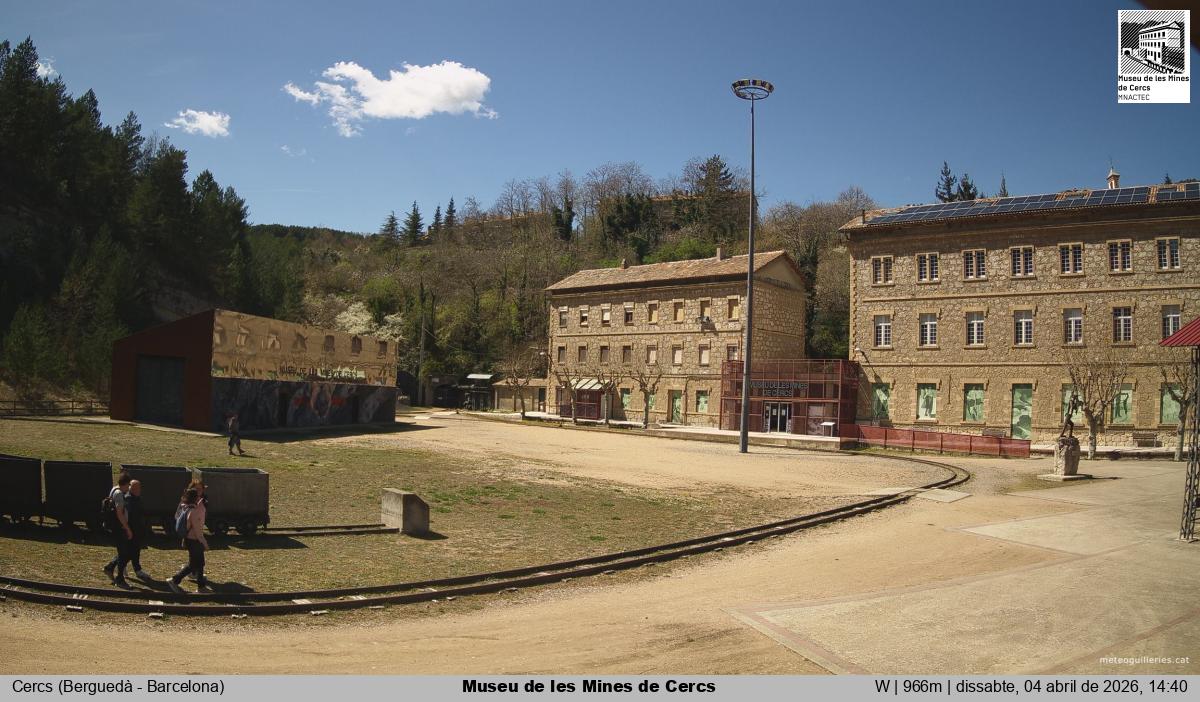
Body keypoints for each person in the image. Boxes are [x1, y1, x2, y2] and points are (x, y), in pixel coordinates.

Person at [168, 486, 209, 593]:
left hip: (191, 539)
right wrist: (204, 543)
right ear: (196, 498)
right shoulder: (194, 511)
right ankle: (174, 580)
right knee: (193, 564)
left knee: (200, 563)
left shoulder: (187, 507)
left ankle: (201, 586)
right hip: (194, 540)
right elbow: (198, 530)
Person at [102, 472, 133, 587]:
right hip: (119, 527)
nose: (129, 487)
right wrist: (127, 528)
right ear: (125, 484)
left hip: (116, 527)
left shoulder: (114, 489)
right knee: (124, 553)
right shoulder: (119, 494)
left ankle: (110, 568)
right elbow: (120, 513)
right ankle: (119, 578)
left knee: (123, 552)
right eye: (128, 485)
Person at [124, 480, 151, 581]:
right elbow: (131, 517)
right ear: (132, 488)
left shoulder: (136, 498)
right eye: (137, 488)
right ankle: (113, 565)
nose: (139, 490)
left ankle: (137, 569)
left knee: (135, 550)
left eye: (139, 488)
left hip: (137, 530)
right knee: (130, 551)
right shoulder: (129, 500)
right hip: (132, 530)